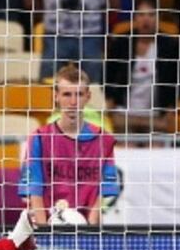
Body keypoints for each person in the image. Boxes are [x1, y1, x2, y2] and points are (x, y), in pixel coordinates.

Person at [19, 64, 117, 226]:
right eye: (66, 94)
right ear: (56, 96)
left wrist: (90, 227)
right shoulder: (39, 138)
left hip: (88, 229)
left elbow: (105, 189)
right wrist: (44, 232)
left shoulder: (103, 140)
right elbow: (34, 190)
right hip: (48, 225)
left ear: (88, 97)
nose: (73, 102)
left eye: (78, 94)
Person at [103, 0, 178, 135]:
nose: (146, 19)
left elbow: (176, 79)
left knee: (156, 152)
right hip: (124, 113)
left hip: (156, 114)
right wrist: (110, 100)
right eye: (141, 14)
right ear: (135, 18)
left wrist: (171, 107)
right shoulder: (121, 44)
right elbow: (108, 74)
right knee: (127, 151)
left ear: (158, 17)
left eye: (151, 15)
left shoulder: (169, 46)